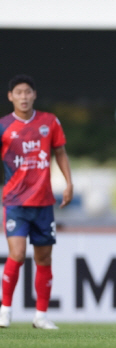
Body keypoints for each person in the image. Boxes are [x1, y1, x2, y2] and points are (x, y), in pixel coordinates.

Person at [0, 74, 73, 330]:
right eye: (18, 92)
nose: (23, 97)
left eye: (27, 92)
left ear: (34, 94)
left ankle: (40, 316)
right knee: (17, 254)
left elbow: (60, 152)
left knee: (44, 259)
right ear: (10, 96)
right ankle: (5, 310)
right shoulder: (3, 126)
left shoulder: (49, 122)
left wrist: (68, 182)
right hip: (15, 202)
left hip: (43, 203)